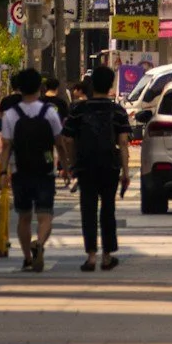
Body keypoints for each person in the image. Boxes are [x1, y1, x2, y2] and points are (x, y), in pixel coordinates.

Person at [62, 65, 131, 271]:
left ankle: (91, 256)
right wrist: (126, 172)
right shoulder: (117, 111)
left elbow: (67, 139)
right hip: (110, 165)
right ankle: (107, 256)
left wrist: (73, 163)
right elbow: (124, 142)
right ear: (111, 85)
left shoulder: (78, 109)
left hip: (86, 165)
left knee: (88, 209)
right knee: (108, 209)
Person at [0, 70, 66, 272]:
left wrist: (3, 172)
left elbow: (6, 147)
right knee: (45, 215)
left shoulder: (11, 115)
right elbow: (59, 143)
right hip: (45, 171)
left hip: (20, 171)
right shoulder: (49, 112)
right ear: (40, 88)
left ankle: (28, 257)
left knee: (24, 216)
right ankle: (40, 243)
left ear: (18, 88)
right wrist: (66, 166)